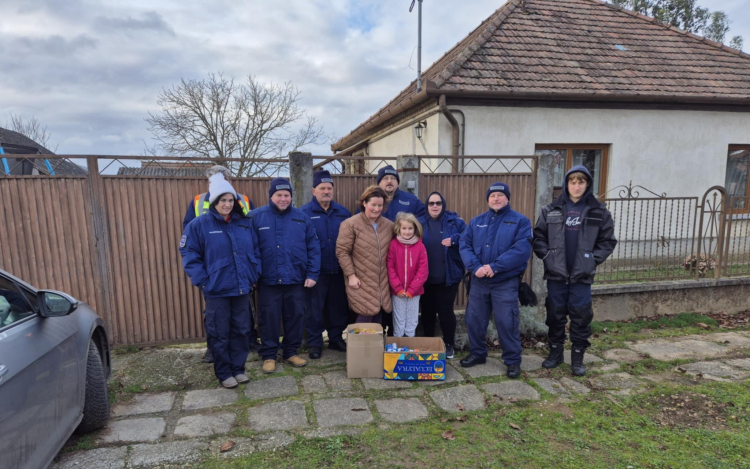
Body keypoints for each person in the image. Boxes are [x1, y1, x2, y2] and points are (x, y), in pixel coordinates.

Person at [533, 165, 617, 376]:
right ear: (566, 184)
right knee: (555, 315)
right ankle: (555, 354)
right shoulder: (551, 209)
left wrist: (591, 260)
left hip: (582, 276)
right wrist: (547, 257)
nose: (576, 186)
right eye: (572, 182)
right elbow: (538, 237)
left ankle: (577, 358)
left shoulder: (599, 211)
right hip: (556, 275)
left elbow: (607, 242)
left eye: (581, 182)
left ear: (587, 184)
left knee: (581, 317)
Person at [180, 174, 261, 389]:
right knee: (220, 332)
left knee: (242, 330)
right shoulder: (199, 225)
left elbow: (255, 250)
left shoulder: (244, 223)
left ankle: (238, 368)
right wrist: (203, 282)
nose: (227, 204)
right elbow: (189, 254)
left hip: (242, 287)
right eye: (222, 200)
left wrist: (254, 274)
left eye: (230, 200)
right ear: (214, 202)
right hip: (216, 289)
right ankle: (224, 372)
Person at [459, 182, 532, 379]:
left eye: (500, 195)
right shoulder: (476, 222)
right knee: (474, 320)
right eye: (492, 196)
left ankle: (512, 361)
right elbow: (465, 246)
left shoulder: (521, 222)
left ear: (507, 198)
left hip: (505, 281)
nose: (496, 199)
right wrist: (475, 267)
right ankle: (477, 354)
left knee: (507, 322)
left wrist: (495, 266)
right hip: (479, 281)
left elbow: (522, 249)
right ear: (488, 199)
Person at [249, 178, 321, 374]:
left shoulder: (301, 218)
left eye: (286, 195)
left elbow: (313, 248)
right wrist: (252, 275)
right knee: (269, 319)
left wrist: (312, 273)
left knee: (295, 317)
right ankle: (269, 355)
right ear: (271, 196)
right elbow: (248, 249)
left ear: (291, 197)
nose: (283, 199)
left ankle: (290, 352)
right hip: (267, 280)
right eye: (279, 195)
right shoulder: (255, 217)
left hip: (296, 279)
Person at [300, 170, 351, 359]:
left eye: (329, 188)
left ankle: (336, 339)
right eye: (322, 188)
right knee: (314, 310)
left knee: (337, 307)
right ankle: (315, 343)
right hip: (315, 273)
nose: (326, 191)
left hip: (338, 270)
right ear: (314, 191)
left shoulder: (343, 213)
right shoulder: (304, 214)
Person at [417, 192, 466, 359]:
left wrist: (455, 239)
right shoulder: (419, 222)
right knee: (427, 312)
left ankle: (449, 344)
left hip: (448, 276)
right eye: (431, 203)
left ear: (443, 205)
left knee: (446, 311)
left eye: (438, 203)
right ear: (427, 205)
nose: (435, 206)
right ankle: (430, 343)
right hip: (424, 278)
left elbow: (469, 237)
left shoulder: (455, 222)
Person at [336, 186, 394, 324]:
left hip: (383, 282)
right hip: (361, 280)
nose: (377, 209)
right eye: (373, 204)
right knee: (365, 316)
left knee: (378, 317)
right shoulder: (350, 224)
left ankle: (374, 346)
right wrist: (351, 276)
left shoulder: (389, 225)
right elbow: (342, 251)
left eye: (380, 205)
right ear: (364, 203)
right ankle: (359, 346)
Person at [387, 213, 428, 338]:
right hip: (397, 292)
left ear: (415, 229)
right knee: (398, 319)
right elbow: (390, 267)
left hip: (414, 293)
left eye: (410, 228)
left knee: (412, 319)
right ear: (398, 229)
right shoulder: (393, 245)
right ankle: (398, 345)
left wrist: (411, 289)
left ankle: (410, 343)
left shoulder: (420, 246)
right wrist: (398, 288)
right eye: (404, 228)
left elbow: (423, 270)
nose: (407, 231)